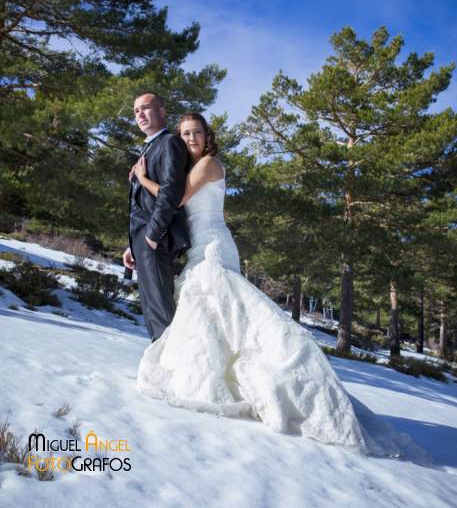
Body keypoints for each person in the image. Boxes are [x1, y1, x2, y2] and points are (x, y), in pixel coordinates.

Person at [135, 113, 425, 458]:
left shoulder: (210, 164)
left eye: (196, 132)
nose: (191, 138)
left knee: (219, 302)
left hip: (213, 244)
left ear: (206, 135)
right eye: (185, 134)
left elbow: (176, 197)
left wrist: (141, 177)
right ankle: (214, 375)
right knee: (214, 314)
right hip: (199, 245)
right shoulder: (191, 166)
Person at [123, 92, 191, 343]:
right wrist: (132, 245)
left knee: (162, 321)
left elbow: (171, 194)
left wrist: (151, 237)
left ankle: (174, 376)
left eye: (145, 108)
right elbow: (144, 204)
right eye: (136, 111)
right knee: (153, 318)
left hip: (156, 241)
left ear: (162, 112)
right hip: (144, 242)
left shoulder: (170, 143)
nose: (139, 114)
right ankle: (165, 373)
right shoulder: (148, 148)